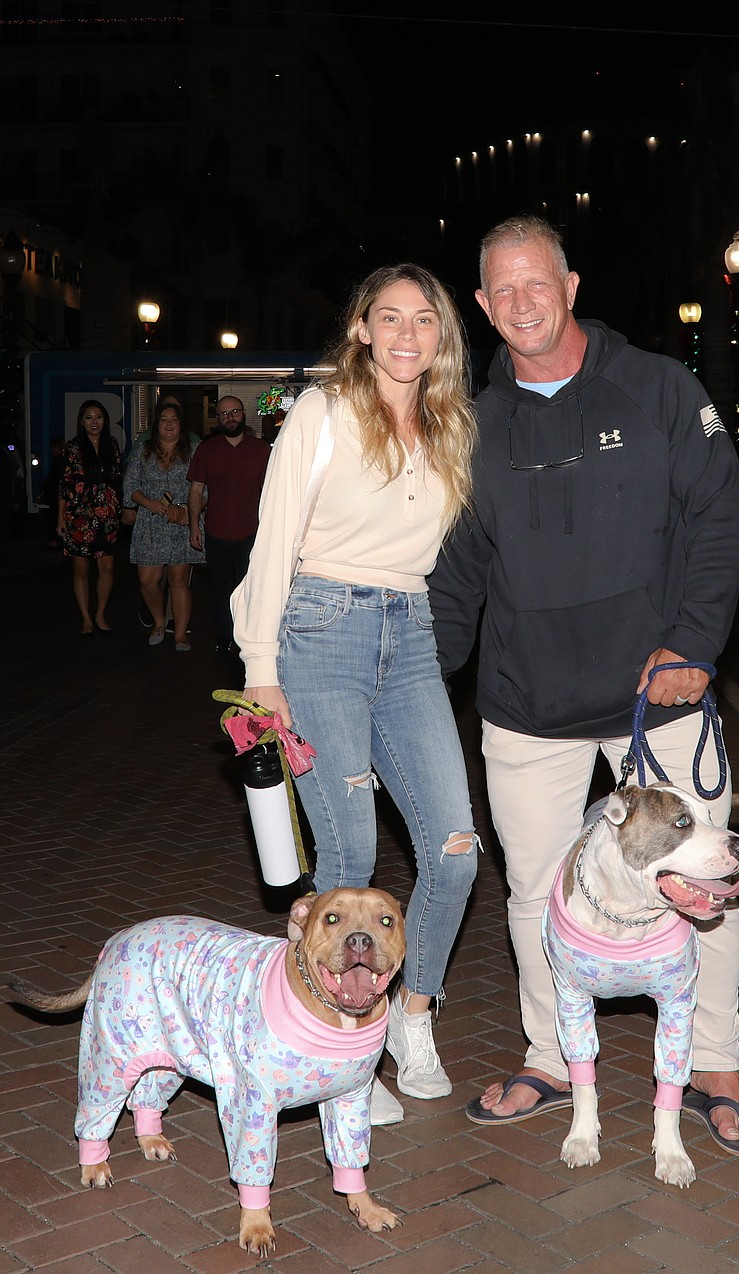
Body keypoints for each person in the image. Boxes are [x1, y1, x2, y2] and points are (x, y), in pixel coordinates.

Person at [427, 215, 739, 1157]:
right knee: (535, 890)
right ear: (483, 306)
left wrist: (696, 644)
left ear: (572, 286)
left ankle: (714, 1061)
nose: (521, 302)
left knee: (700, 878)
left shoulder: (659, 388)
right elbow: (458, 572)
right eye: (501, 290)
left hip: (653, 699)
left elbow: (715, 518)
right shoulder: (473, 423)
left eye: (536, 282)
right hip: (526, 705)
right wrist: (418, 687)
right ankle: (550, 1053)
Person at [231, 264, 480, 1126]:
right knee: (349, 859)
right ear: (362, 329)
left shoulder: (452, 426)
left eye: (424, 319)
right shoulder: (323, 411)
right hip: (317, 629)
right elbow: (273, 540)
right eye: (389, 317)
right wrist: (260, 666)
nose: (407, 334)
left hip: (408, 636)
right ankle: (343, 1052)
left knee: (454, 849)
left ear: (442, 335)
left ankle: (412, 1017)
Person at [187, 396, 270, 655]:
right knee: (221, 592)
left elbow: (273, 491)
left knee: (252, 591)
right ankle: (224, 639)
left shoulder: (262, 450)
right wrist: (193, 526)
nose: (229, 417)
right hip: (217, 533)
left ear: (243, 414)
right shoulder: (206, 449)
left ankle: (250, 640)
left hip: (252, 533)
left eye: (234, 412)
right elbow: (196, 490)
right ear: (218, 418)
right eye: (224, 414)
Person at [123, 400, 204, 650]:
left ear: (181, 424)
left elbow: (205, 488)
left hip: (182, 521)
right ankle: (159, 620)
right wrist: (149, 503)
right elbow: (130, 486)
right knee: (148, 579)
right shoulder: (144, 450)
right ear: (157, 424)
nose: (169, 424)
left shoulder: (194, 450)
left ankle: (180, 634)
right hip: (151, 521)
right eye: (164, 420)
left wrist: (190, 514)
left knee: (179, 580)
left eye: (174, 420)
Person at [58, 400, 123, 634]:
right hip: (79, 513)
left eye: (98, 417)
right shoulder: (73, 447)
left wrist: (122, 508)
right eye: (89, 417)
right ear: (81, 421)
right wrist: (60, 518)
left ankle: (100, 613)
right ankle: (86, 618)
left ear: (105, 420)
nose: (94, 422)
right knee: (81, 569)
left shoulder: (112, 444)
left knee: (107, 566)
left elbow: (117, 478)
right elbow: (65, 485)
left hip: (107, 512)